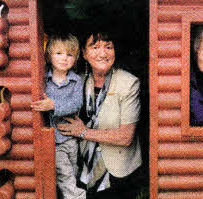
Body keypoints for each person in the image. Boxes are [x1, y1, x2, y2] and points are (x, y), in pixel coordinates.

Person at [57, 30, 143, 199]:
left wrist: (84, 132)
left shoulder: (129, 83)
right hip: (83, 168)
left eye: (108, 47)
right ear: (84, 53)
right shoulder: (77, 82)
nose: (103, 53)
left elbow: (126, 137)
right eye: (95, 47)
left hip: (119, 171)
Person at [30, 33, 85, 199]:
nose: (64, 58)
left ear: (75, 59)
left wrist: (54, 105)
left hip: (70, 138)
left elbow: (77, 104)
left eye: (69, 54)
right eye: (58, 53)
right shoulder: (43, 80)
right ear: (49, 56)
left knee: (72, 172)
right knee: (65, 174)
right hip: (53, 140)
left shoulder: (76, 81)